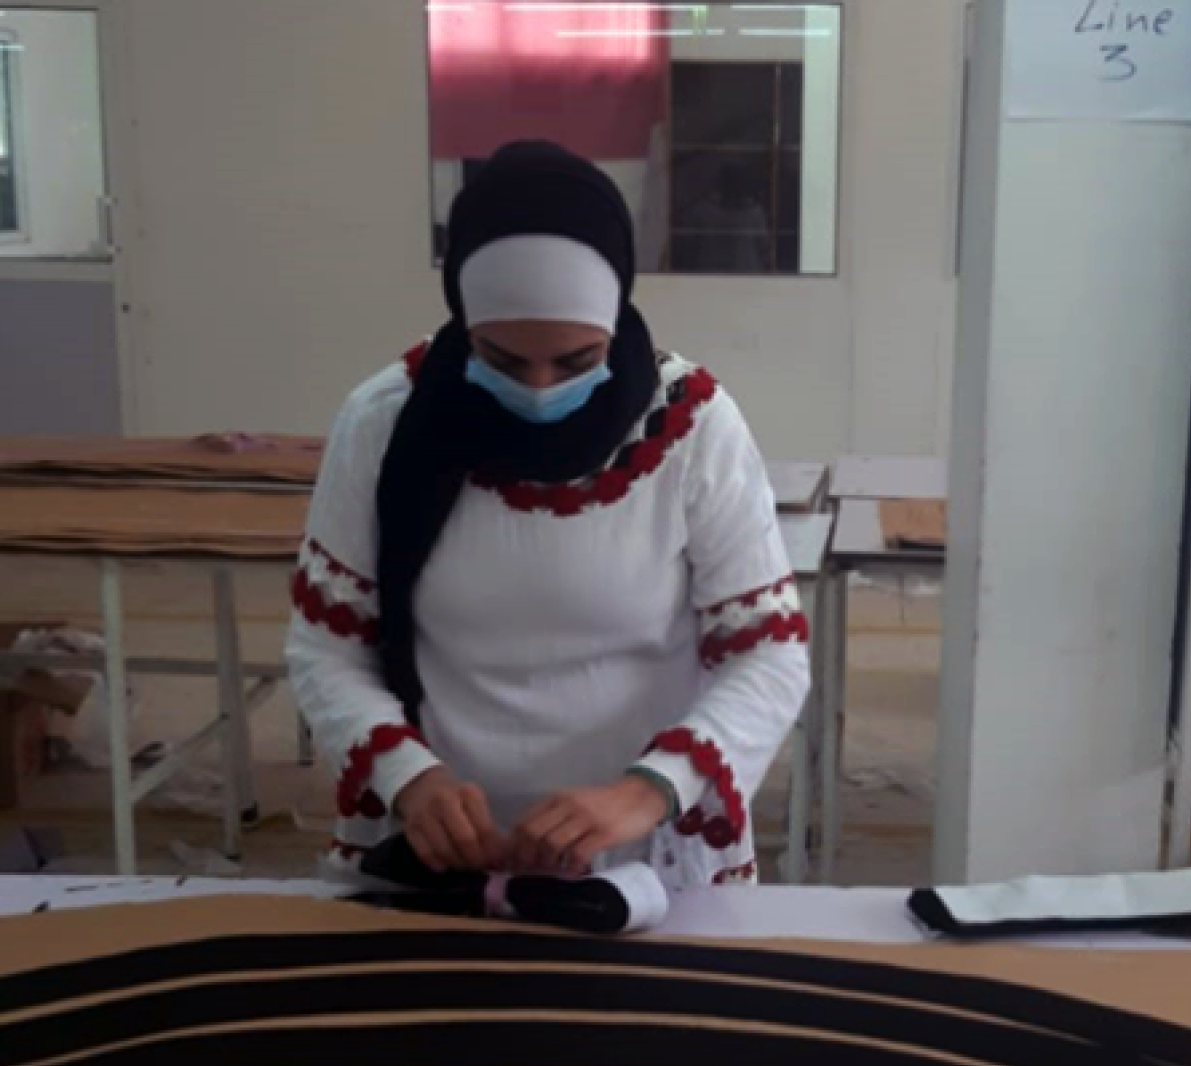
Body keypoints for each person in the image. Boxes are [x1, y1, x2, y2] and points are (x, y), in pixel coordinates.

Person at [288, 142, 810, 888]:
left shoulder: (690, 429)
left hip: (641, 853)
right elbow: (326, 647)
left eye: (574, 362)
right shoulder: (388, 423)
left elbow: (768, 653)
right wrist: (406, 775)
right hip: (444, 846)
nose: (538, 389)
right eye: (500, 360)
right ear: (463, 321)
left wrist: (651, 788)